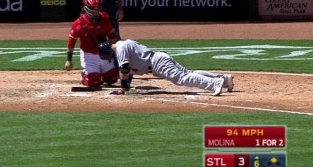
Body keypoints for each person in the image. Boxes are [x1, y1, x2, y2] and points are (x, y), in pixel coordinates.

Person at [98, 39, 234, 96]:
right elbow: (129, 69)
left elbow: (124, 69)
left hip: (157, 63)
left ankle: (215, 83)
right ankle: (224, 79)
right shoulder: (123, 44)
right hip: (158, 59)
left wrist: (123, 89)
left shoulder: (120, 49)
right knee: (187, 73)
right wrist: (127, 85)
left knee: (182, 78)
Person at [65, 0, 119, 88]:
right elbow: (71, 42)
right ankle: (86, 74)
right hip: (89, 54)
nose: (95, 13)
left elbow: (112, 37)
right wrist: (68, 60)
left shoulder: (105, 19)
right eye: (92, 10)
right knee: (93, 82)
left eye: (97, 10)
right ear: (85, 8)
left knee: (113, 78)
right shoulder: (78, 24)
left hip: (104, 53)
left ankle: (102, 73)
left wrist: (114, 51)